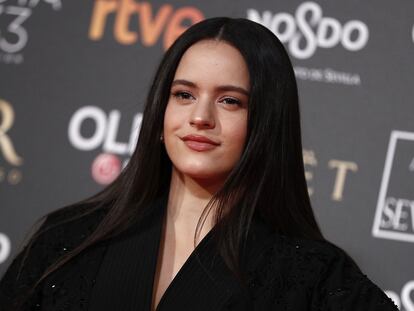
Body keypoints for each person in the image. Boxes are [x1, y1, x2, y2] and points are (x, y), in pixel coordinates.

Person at [0, 17, 398, 311]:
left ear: (266, 124)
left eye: (230, 101)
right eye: (184, 95)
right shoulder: (68, 240)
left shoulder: (312, 277)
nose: (200, 117)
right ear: (161, 112)